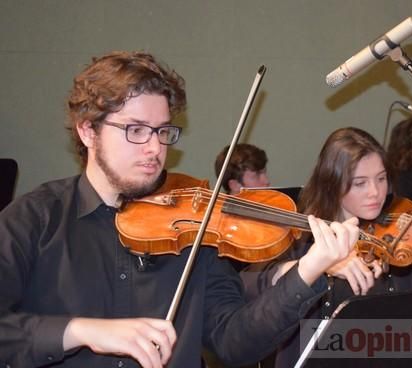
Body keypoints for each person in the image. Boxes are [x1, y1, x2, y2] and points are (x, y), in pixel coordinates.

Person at [0, 51, 361, 368]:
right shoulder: (34, 220)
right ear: (87, 132)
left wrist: (309, 270)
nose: (154, 148)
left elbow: (233, 341)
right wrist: (77, 330)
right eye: (136, 130)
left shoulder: (194, 224)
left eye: (162, 131)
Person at [241, 127, 412, 367]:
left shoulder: (405, 245)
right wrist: (317, 265)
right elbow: (247, 290)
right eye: (360, 183)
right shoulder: (303, 240)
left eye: (381, 179)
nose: (375, 192)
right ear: (332, 184)